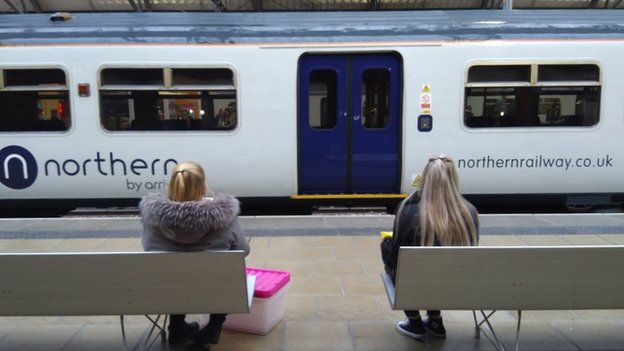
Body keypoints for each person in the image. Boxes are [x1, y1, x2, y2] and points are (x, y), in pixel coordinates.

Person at [139, 161, 249, 346]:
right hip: (215, 290)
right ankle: (213, 328)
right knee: (227, 275)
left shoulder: (152, 217)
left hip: (167, 291)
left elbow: (147, 246)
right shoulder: (224, 216)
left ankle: (176, 327)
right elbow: (243, 250)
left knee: (172, 275)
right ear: (203, 187)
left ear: (172, 186)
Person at [381, 154, 479, 341]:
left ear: (425, 179)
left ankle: (415, 322)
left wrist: (386, 245)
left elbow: (395, 259)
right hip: (455, 288)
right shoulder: (469, 213)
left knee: (398, 261)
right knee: (441, 272)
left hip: (415, 285)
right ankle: (435, 320)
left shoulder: (408, 211)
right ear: (453, 180)